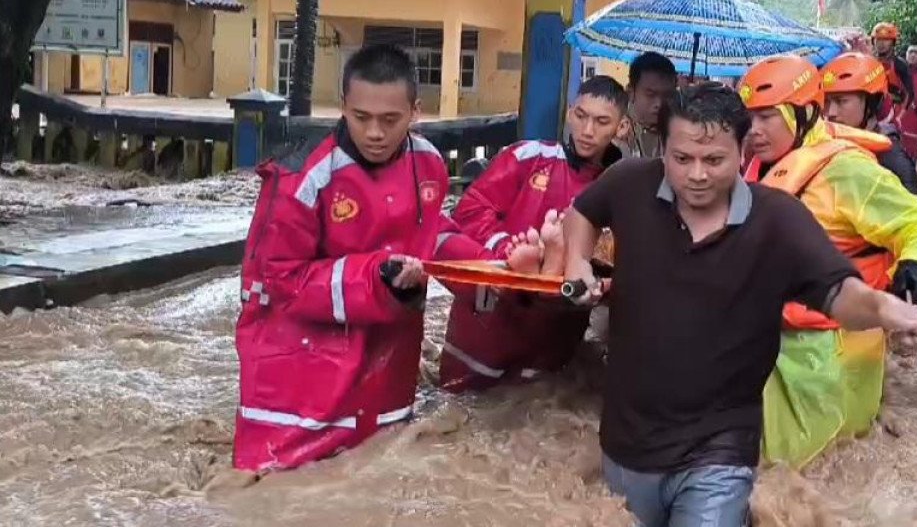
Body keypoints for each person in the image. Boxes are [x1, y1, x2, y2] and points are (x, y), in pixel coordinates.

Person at [559, 82, 917, 527]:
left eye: (714, 160)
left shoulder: (778, 220)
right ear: (664, 148)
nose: (696, 174)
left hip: (719, 451)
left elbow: (840, 296)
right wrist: (576, 264)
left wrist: (887, 309)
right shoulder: (628, 183)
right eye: (682, 159)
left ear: (742, 151)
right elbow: (582, 213)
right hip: (627, 446)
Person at [234, 44, 449, 473]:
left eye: (390, 120)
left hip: (386, 370)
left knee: (376, 480)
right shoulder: (301, 177)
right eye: (360, 117)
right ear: (343, 107)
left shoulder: (429, 164)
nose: (374, 132)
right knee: (276, 491)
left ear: (415, 112)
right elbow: (277, 280)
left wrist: (495, 262)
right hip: (301, 377)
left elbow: (436, 237)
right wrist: (376, 278)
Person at [738, 54, 917, 468]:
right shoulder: (759, 165)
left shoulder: (846, 170)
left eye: (767, 117)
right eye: (749, 118)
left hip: (832, 348)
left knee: (803, 470)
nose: (754, 130)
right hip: (773, 338)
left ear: (801, 114)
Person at [433, 75, 627, 392]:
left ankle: (551, 262)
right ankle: (542, 261)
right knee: (461, 402)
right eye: (581, 116)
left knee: (535, 405)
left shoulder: (620, 187)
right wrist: (508, 248)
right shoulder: (528, 156)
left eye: (602, 121)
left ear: (621, 128)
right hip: (491, 320)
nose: (588, 130)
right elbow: (471, 209)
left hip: (555, 331)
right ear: (568, 113)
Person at [821, 50, 917, 196]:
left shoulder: (891, 158)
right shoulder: (821, 145)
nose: (830, 112)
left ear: (872, 103)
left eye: (841, 101)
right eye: (826, 102)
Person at [619, 51, 678, 158]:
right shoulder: (617, 130)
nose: (659, 104)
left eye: (667, 95)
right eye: (650, 94)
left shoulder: (678, 131)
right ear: (631, 92)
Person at [869, 21, 915, 127]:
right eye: (878, 39)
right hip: (871, 113)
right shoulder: (869, 63)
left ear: (893, 42)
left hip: (893, 114)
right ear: (873, 41)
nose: (881, 43)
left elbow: (910, 93)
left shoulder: (900, 65)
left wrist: (900, 116)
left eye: (886, 40)